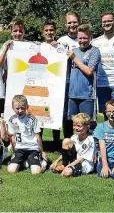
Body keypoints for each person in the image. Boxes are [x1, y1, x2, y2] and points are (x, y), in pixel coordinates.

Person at [67, 24, 101, 131]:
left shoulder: (94, 51)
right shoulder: (74, 51)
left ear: (90, 37)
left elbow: (89, 71)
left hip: (87, 95)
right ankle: (76, 147)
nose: (82, 40)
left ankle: (92, 146)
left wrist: (74, 58)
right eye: (80, 38)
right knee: (75, 125)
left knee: (88, 125)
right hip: (72, 95)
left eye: (85, 38)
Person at [7, 95, 47, 174]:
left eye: (23, 108)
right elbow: (12, 137)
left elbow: (38, 136)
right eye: (17, 108)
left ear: (27, 107)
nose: (20, 110)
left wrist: (42, 151)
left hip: (32, 148)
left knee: (36, 172)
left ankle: (44, 162)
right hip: (20, 149)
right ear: (13, 108)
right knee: (11, 170)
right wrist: (15, 150)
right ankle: (25, 162)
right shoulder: (12, 120)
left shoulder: (32, 119)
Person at [39, 21, 63, 151]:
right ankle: (39, 142)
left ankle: (56, 144)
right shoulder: (39, 46)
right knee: (40, 112)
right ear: (43, 32)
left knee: (55, 112)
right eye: (46, 30)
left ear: (55, 32)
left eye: (51, 30)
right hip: (42, 84)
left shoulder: (60, 46)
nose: (49, 32)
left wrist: (59, 47)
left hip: (56, 84)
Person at [57, 12, 79, 139]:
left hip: (81, 80)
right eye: (70, 22)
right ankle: (67, 139)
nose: (72, 25)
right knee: (66, 112)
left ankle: (81, 139)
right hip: (65, 80)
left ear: (79, 23)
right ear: (66, 24)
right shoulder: (61, 41)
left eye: (74, 22)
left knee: (79, 111)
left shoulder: (85, 38)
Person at [50, 113, 95, 177]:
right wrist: (56, 161)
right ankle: (64, 165)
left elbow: (81, 159)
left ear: (87, 127)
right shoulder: (74, 137)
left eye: (79, 126)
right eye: (74, 125)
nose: (76, 128)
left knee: (67, 173)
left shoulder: (90, 140)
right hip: (75, 160)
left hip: (84, 164)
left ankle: (68, 168)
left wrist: (69, 166)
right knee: (66, 141)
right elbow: (65, 152)